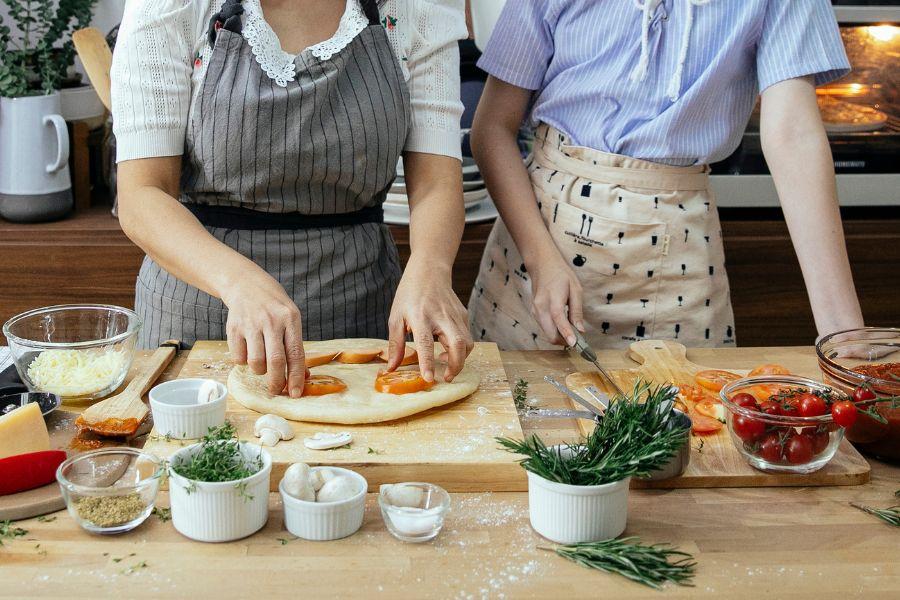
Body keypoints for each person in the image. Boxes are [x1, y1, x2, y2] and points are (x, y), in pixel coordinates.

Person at [111, 0, 473, 396]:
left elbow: (436, 182)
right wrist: (238, 282)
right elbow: (142, 194)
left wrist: (432, 267)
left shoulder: (414, 9)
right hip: (200, 323)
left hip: (359, 315)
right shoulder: (174, 8)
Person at [467, 0, 865, 350]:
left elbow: (793, 137)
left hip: (680, 254)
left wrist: (843, 334)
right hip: (538, 243)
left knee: (690, 410)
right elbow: (492, 129)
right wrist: (541, 261)